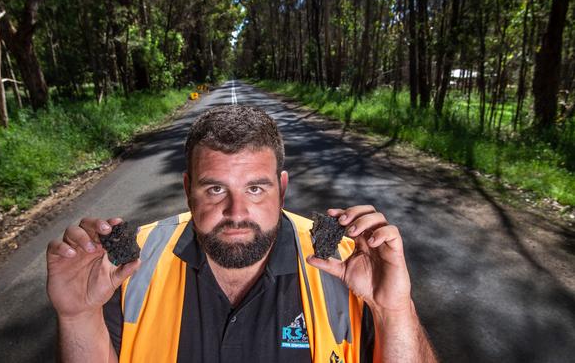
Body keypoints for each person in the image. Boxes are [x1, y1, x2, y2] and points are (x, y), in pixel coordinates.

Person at [46, 105, 438, 362]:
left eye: (255, 189)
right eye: (215, 189)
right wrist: (79, 316)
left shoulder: (349, 262)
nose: (236, 213)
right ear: (187, 191)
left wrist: (394, 311)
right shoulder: (129, 264)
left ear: (282, 189)